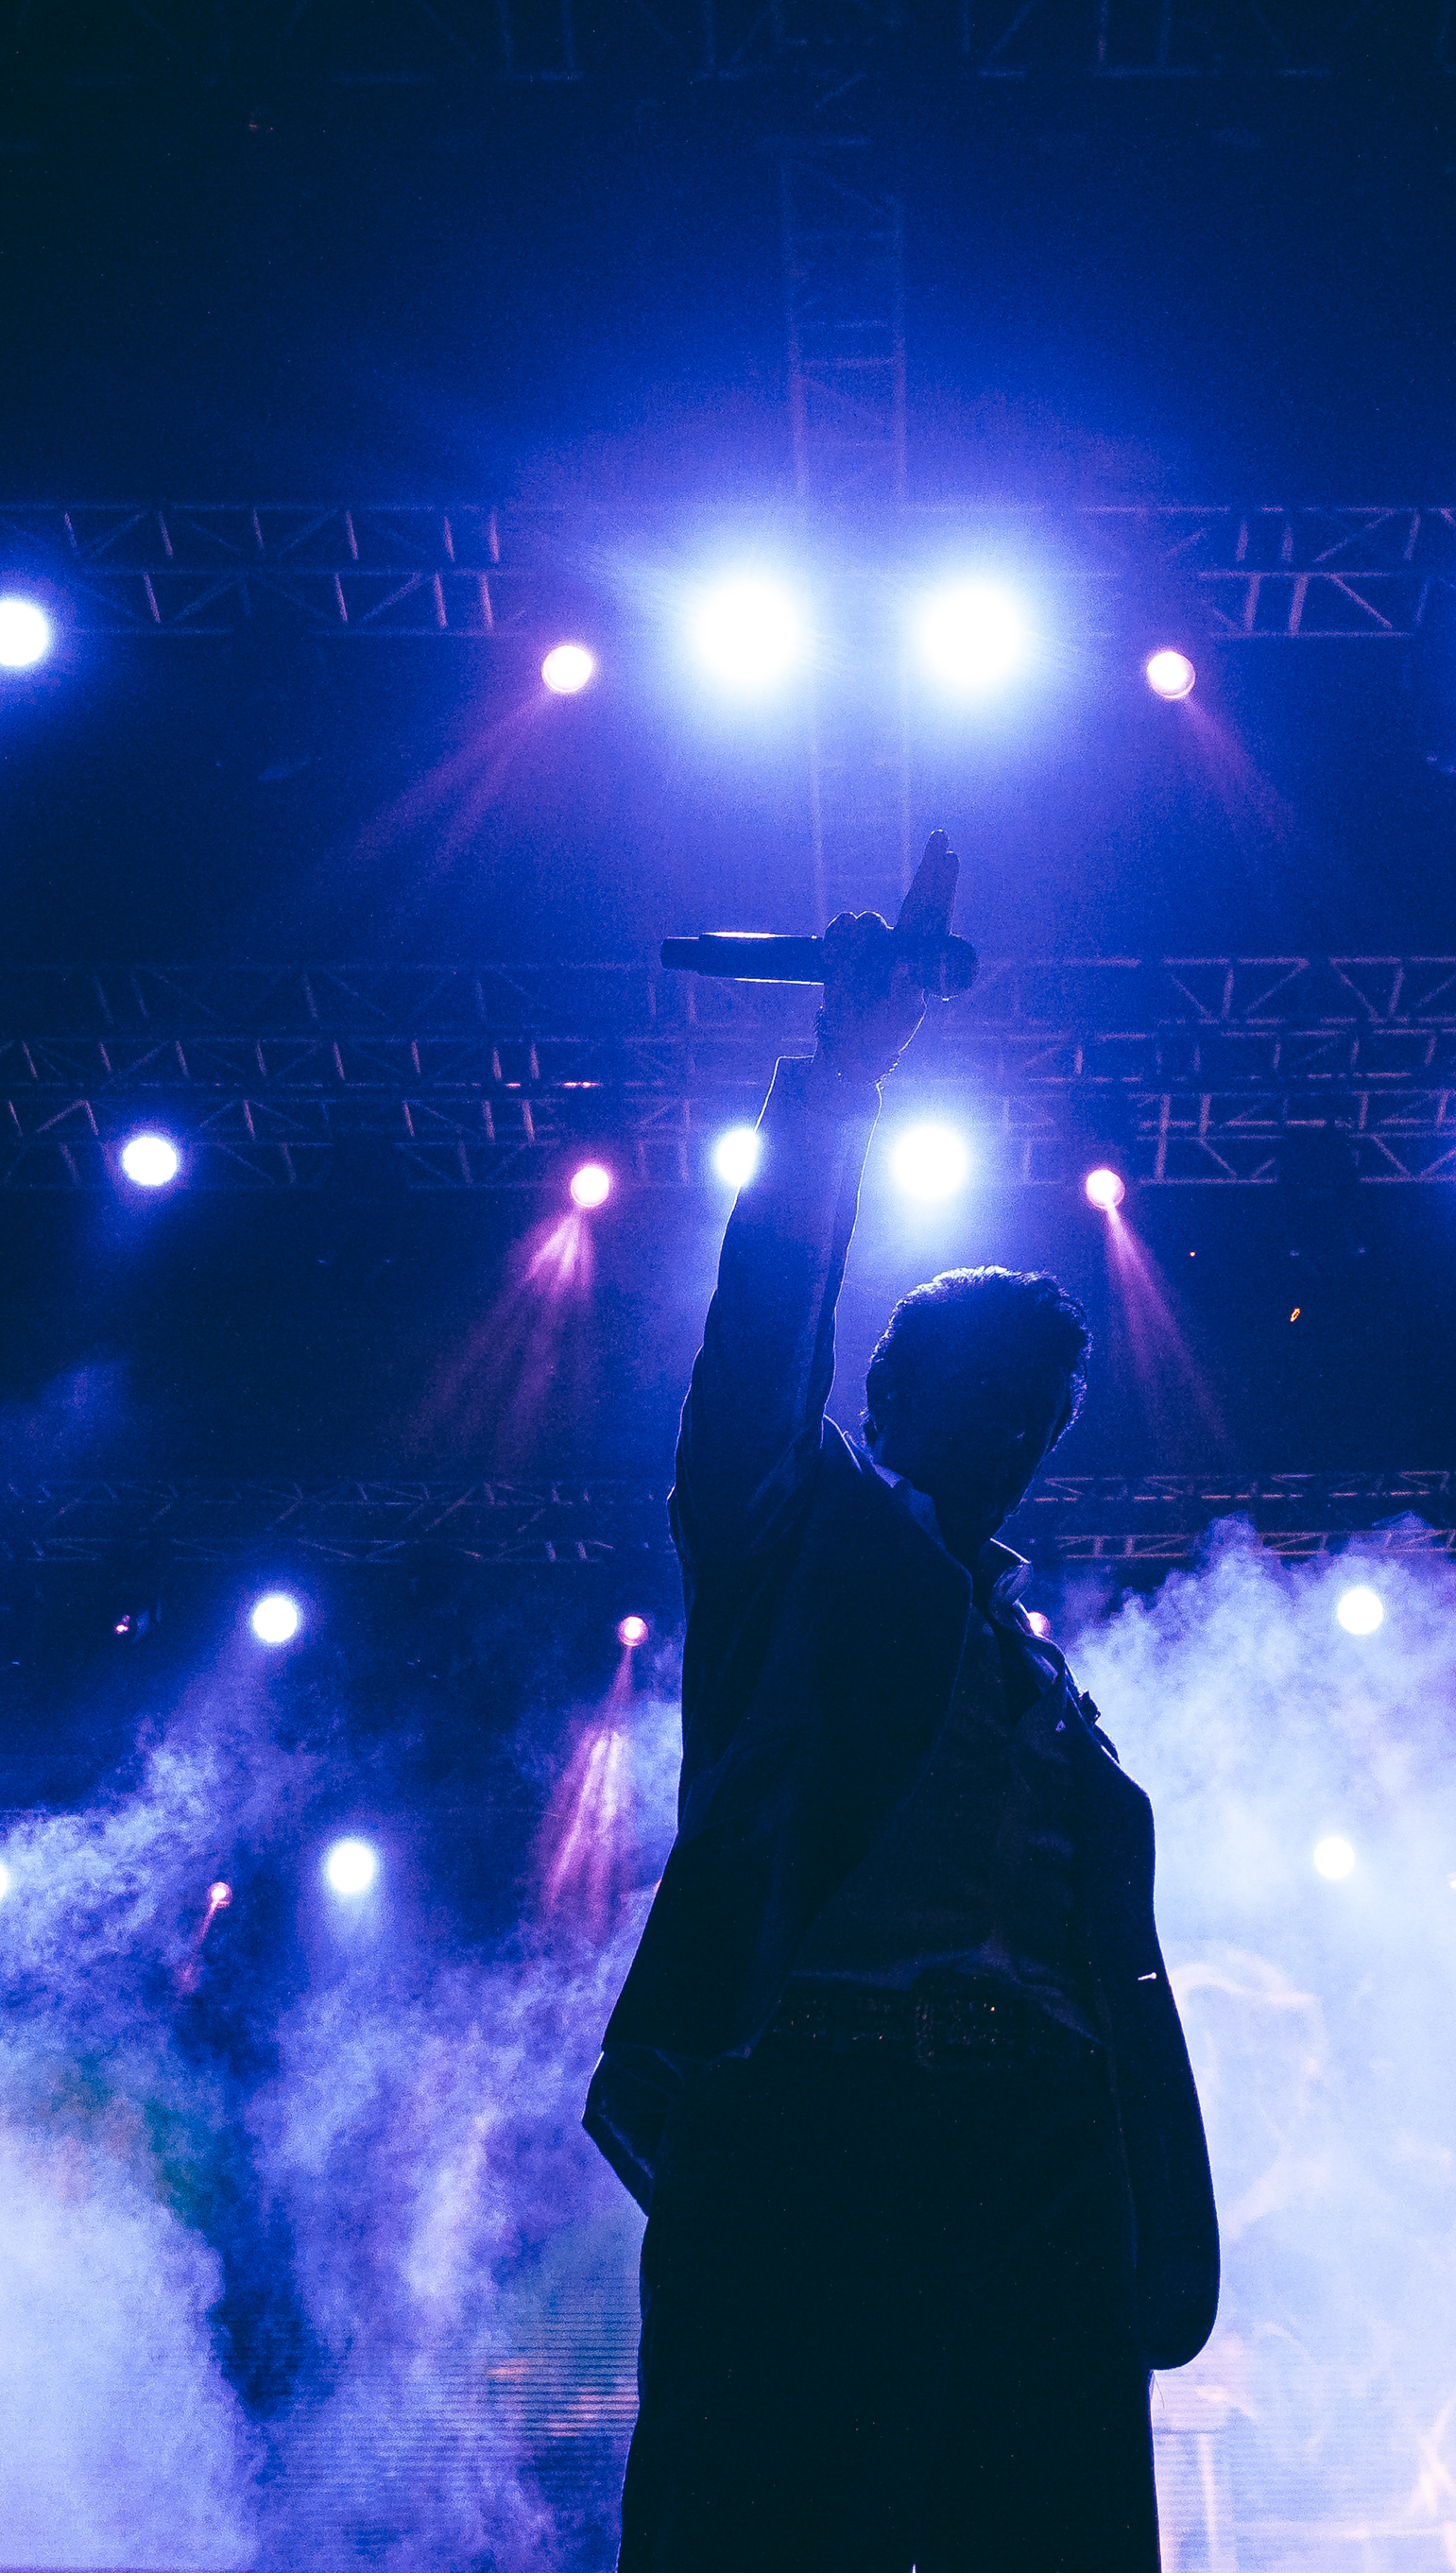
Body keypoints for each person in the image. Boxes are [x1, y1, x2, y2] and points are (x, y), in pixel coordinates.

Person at [589, 831, 1216, 2571]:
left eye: (1044, 1412)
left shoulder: (1042, 1676)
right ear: (888, 1393)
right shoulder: (793, 1524)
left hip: (1047, 2154)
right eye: (988, 1390)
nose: (1016, 1428)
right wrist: (842, 1081)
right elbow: (760, 1332)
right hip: (825, 2115)